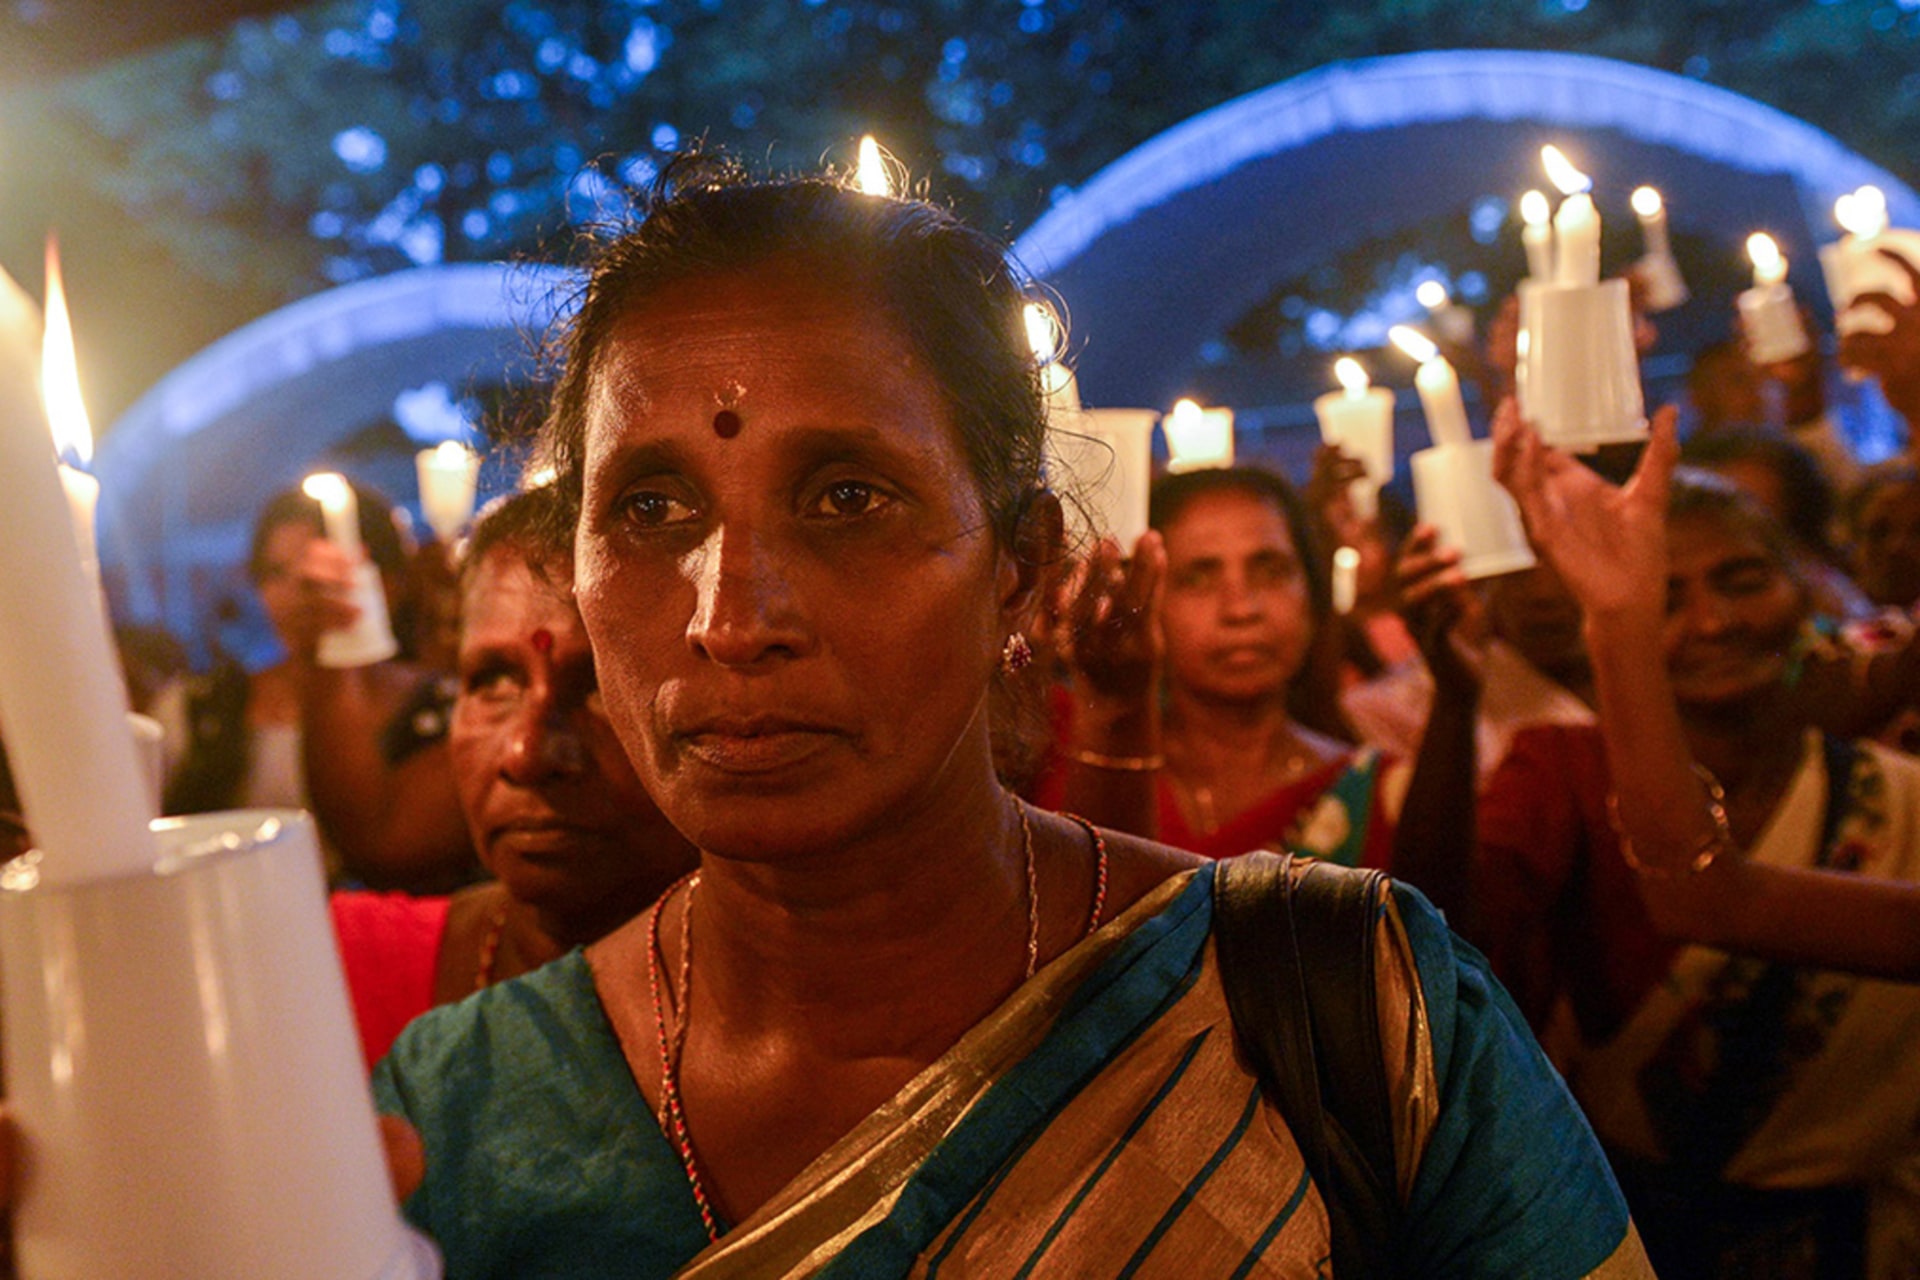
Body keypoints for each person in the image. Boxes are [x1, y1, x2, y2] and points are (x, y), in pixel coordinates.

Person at [371, 158, 1648, 1279]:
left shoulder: (1343, 1010)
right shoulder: (462, 1114)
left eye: (847, 496)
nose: (730, 615)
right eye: (651, 509)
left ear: (1023, 569)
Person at [1484, 401, 1920, 1277]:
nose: (1713, 623)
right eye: (1670, 597)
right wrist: (1616, 616)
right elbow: (1697, 895)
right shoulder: (1562, 771)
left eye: (1743, 581)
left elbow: (1702, 894)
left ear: (1808, 584)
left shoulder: (1897, 798)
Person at [330, 488, 698, 1068]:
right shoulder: (339, 971)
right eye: (493, 682)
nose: (527, 753)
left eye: (599, 684)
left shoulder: (826, 1014)